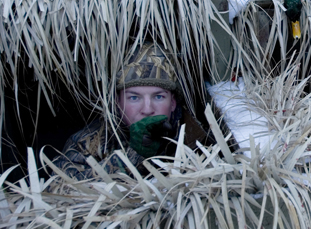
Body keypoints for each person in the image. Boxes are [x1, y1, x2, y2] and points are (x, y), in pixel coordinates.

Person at [52, 43, 211, 180]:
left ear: (173, 103)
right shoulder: (88, 143)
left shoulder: (199, 140)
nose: (148, 109)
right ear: (117, 103)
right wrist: (133, 156)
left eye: (159, 97)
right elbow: (58, 188)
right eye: (134, 98)